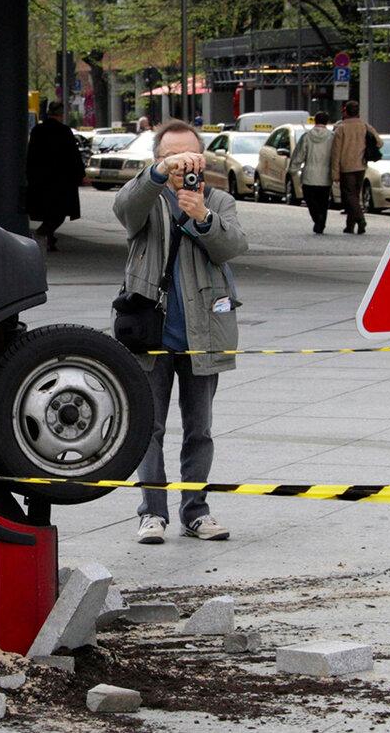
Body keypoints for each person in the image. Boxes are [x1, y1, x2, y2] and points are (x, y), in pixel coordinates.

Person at [112, 119, 248, 545]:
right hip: (149, 334)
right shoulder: (146, 201)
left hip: (203, 332)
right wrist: (156, 177)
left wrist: (203, 217)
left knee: (199, 429)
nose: (183, 164)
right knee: (147, 427)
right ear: (157, 160)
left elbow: (232, 247)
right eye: (172, 157)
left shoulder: (220, 200)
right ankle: (152, 512)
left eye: (191, 155)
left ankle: (196, 510)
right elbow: (124, 208)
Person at [26, 101, 85, 252]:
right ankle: (42, 234)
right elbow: (73, 156)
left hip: (40, 179)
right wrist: (80, 175)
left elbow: (31, 156)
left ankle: (49, 239)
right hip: (60, 180)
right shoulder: (64, 131)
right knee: (58, 213)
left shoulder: (38, 130)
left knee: (47, 211)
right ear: (61, 114)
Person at [330, 100, 382, 235]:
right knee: (355, 195)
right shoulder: (364, 126)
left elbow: (336, 152)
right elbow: (379, 142)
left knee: (349, 195)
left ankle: (360, 219)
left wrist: (334, 172)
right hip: (361, 164)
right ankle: (350, 225)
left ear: (345, 112)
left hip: (346, 166)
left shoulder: (341, 128)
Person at [290, 111, 335, 235]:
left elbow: (299, 155)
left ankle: (316, 217)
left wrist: (293, 168)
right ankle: (321, 221)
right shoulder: (332, 137)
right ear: (327, 122)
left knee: (310, 200)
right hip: (325, 175)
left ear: (315, 120)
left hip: (309, 174)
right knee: (323, 201)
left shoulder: (307, 136)